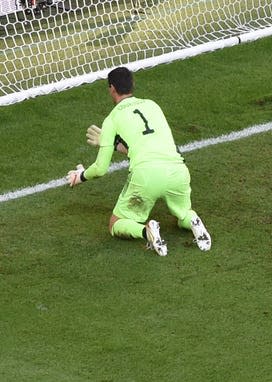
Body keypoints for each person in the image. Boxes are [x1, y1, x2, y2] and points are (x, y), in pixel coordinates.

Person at [66, 66, 211, 256]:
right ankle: (192, 220)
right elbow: (148, 144)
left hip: (146, 177)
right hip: (178, 171)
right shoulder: (152, 105)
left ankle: (147, 231)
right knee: (183, 212)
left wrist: (81, 176)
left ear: (111, 89)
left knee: (115, 224)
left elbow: (101, 169)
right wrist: (115, 144)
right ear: (133, 84)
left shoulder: (112, 119)